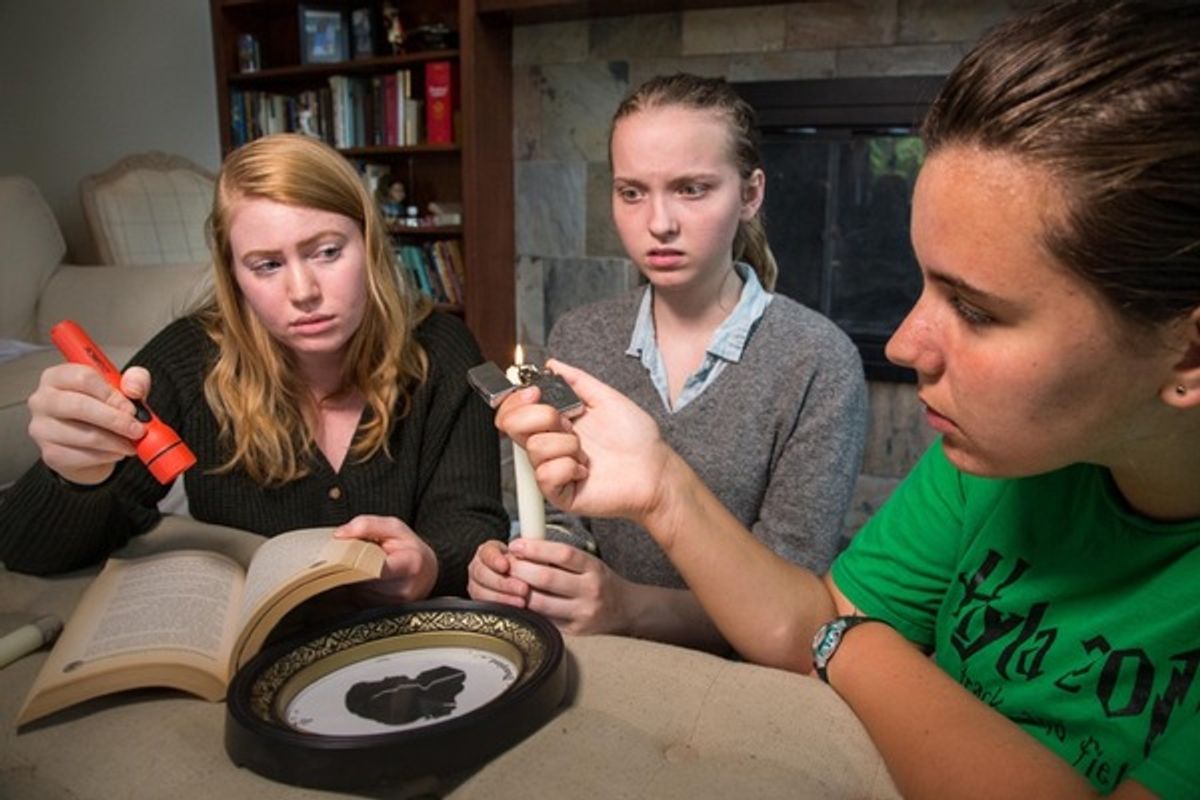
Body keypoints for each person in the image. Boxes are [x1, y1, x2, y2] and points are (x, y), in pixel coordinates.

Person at [491, 2, 1199, 796]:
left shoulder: (824, 361)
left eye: (975, 310)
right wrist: (659, 486)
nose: (901, 345)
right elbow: (808, 618)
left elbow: (817, 626)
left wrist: (847, 643)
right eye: (631, 191)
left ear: (1188, 353)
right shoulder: (988, 464)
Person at [0, 133, 508, 604]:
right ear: (234, 275)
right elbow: (28, 552)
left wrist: (431, 563)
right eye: (267, 265)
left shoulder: (443, 349)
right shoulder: (186, 358)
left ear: (371, 245)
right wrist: (73, 478)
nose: (303, 292)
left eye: (327, 252)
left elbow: (473, 524)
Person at [468, 74, 868, 652]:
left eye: (691, 189)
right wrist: (529, 566)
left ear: (750, 194)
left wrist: (629, 606)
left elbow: (793, 604)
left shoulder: (817, 362)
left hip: (747, 680)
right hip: (603, 656)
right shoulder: (580, 337)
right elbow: (566, 522)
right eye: (632, 192)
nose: (659, 223)